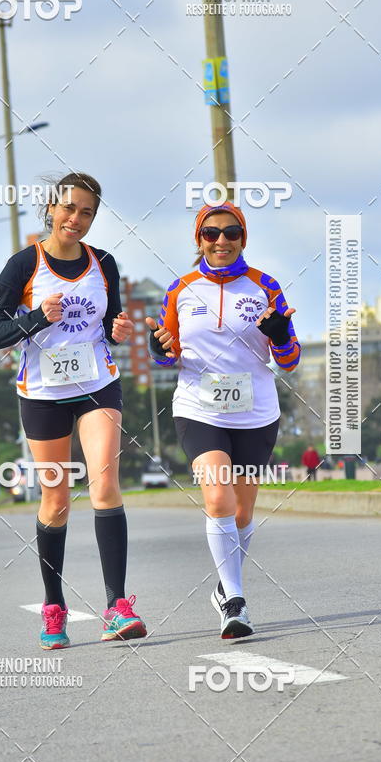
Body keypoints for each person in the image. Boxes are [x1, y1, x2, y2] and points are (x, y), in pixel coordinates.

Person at [0, 172, 147, 649]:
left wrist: (120, 329)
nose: (76, 219)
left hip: (98, 383)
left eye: (87, 212)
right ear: (51, 209)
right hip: (43, 392)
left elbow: (111, 323)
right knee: (55, 499)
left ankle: (116, 607)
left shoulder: (105, 263)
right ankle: (54, 607)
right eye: (69, 208)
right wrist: (36, 318)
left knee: (105, 483)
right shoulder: (22, 265)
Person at [146, 202, 301, 639]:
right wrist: (160, 351)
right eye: (211, 233)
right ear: (199, 240)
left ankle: (223, 585)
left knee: (244, 510)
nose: (221, 241)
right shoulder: (180, 289)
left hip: (255, 412)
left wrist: (281, 336)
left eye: (231, 232)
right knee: (218, 500)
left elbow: (289, 361)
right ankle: (234, 601)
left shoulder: (265, 285)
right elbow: (167, 353)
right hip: (199, 408)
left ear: (242, 238)